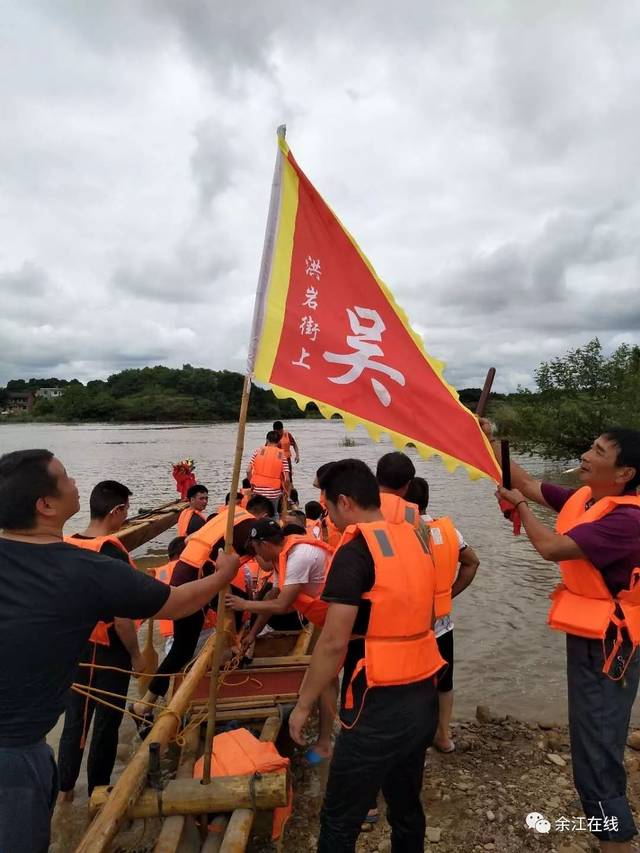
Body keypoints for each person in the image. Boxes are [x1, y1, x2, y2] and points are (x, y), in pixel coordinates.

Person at [0, 449, 241, 853]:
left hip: (30, 733)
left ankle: (69, 799)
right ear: (44, 505)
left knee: (75, 731)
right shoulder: (86, 568)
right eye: (66, 478)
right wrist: (225, 575)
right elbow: (178, 602)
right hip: (15, 755)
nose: (76, 482)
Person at [483, 420, 640, 853]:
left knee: (598, 741)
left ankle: (617, 841)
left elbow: (551, 548)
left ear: (625, 473)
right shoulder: (591, 499)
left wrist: (522, 509)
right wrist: (488, 441)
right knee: (593, 737)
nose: (585, 456)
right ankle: (610, 832)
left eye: (597, 452)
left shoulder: (626, 520)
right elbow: (529, 482)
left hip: (611, 645)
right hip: (592, 636)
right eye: (588, 447)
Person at [288, 459, 443, 852]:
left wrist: (303, 705)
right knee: (406, 807)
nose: (330, 518)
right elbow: (413, 612)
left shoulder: (355, 551)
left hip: (376, 702)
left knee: (340, 818)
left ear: (344, 502)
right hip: (424, 694)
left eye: (328, 509)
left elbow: (333, 643)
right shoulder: (416, 537)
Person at [57, 480, 144, 802]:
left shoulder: (65, 546)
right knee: (106, 724)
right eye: (126, 511)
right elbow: (122, 617)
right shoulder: (109, 553)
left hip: (73, 649)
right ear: (117, 510)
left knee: (75, 723)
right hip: (108, 651)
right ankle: (98, 793)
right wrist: (136, 656)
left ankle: (65, 793)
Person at [130, 510, 256, 728]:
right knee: (182, 649)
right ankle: (144, 704)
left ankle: (231, 649)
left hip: (195, 575)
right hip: (193, 581)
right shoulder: (245, 531)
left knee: (239, 600)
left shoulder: (233, 520)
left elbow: (190, 540)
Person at [226, 518, 336, 762]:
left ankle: (326, 741)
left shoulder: (299, 556)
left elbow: (282, 604)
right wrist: (252, 634)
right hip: (327, 616)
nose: (254, 554)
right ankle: (325, 736)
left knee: (326, 678)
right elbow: (273, 599)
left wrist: (243, 604)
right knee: (326, 676)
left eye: (254, 548)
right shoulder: (282, 560)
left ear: (263, 544)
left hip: (341, 616)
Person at [405, 476, 480, 754]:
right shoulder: (450, 531)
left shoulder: (400, 533)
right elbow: (472, 562)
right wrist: (449, 594)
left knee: (410, 685)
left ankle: (412, 741)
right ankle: (443, 735)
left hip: (409, 628)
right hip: (443, 625)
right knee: (444, 683)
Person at [247, 431, 289, 517]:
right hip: (274, 492)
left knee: (256, 514)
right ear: (279, 441)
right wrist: (286, 492)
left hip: (258, 490)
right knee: (274, 513)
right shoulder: (281, 454)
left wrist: (252, 484)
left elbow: (248, 471)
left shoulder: (258, 452)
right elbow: (287, 479)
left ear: (267, 440)